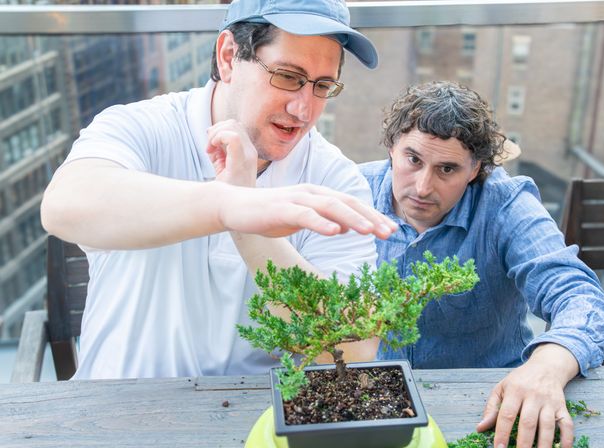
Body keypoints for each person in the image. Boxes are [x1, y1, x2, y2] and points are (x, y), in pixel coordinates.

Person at [40, 0, 397, 380]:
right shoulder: (144, 128)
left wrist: (249, 227)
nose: (303, 109)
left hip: (260, 423)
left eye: (322, 85)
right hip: (119, 412)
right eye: (288, 76)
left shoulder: (334, 178)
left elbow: (353, 352)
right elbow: (64, 204)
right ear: (228, 56)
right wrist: (228, 205)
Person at [359, 81, 604, 448]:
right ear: (392, 148)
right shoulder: (351, 190)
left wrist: (547, 367)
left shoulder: (506, 203)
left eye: (447, 169)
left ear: (475, 168)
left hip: (490, 400)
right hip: (374, 401)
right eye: (413, 159)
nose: (421, 187)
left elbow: (580, 297)